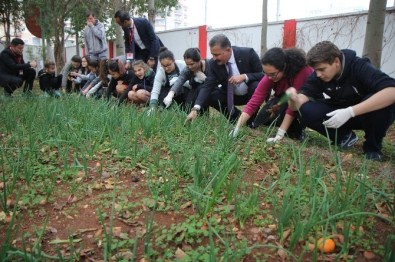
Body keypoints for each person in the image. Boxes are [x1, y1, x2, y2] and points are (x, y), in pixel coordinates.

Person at [286, 41, 395, 161]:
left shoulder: (359, 66)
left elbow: (391, 91)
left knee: (382, 103)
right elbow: (301, 100)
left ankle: (372, 148)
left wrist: (350, 111)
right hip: (340, 111)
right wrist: (293, 99)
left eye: (322, 69)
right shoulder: (318, 76)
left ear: (336, 62)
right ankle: (343, 137)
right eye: (315, 70)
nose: (318, 74)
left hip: (366, 113)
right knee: (304, 110)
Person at [231, 47, 313, 141]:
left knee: (288, 113)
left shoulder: (302, 71)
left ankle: (298, 129)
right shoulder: (271, 75)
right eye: (266, 74)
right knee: (263, 119)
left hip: (303, 100)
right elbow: (254, 101)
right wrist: (236, 128)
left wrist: (279, 134)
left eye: (272, 74)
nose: (269, 78)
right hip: (283, 98)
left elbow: (292, 108)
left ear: (284, 67)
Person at [185, 34, 264, 123]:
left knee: (256, 86)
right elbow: (207, 86)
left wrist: (244, 76)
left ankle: (250, 120)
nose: (214, 58)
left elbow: (263, 75)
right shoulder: (213, 64)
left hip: (250, 94)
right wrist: (195, 109)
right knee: (211, 94)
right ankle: (236, 118)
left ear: (228, 50)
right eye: (212, 54)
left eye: (217, 55)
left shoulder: (248, 53)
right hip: (231, 96)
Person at [162, 47, 210, 114]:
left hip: (209, 90)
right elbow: (180, 80)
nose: (190, 67)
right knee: (188, 107)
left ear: (199, 60)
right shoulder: (187, 69)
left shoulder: (209, 65)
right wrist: (170, 95)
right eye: (187, 64)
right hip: (194, 90)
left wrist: (205, 79)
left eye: (192, 64)